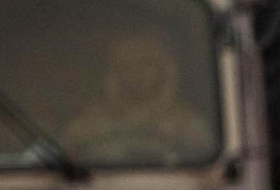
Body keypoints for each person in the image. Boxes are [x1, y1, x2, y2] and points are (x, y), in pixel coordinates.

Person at [64, 29, 213, 164]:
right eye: (126, 65)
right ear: (112, 72)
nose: (135, 72)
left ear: (163, 70)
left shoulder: (187, 124)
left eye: (145, 63)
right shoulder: (88, 125)